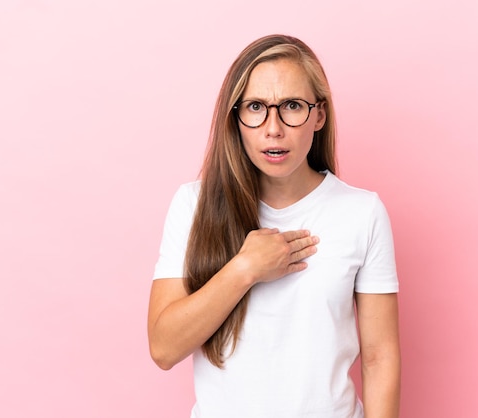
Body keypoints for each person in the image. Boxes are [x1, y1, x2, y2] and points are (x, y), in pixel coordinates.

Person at [148, 34, 400, 418]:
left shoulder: (362, 213)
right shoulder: (192, 205)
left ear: (319, 114)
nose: (273, 129)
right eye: (255, 107)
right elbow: (164, 349)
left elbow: (380, 359)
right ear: (235, 117)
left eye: (292, 106)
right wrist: (245, 269)